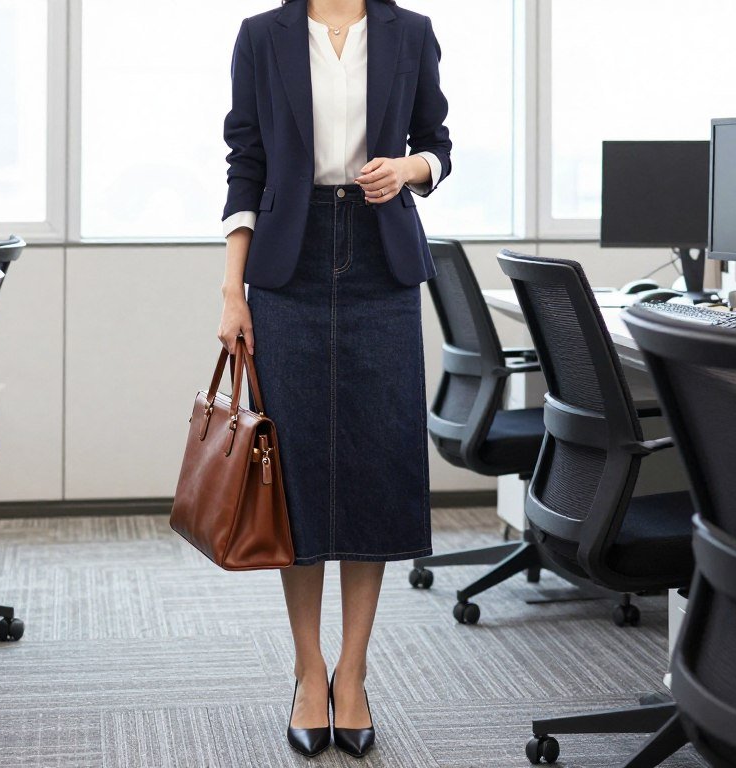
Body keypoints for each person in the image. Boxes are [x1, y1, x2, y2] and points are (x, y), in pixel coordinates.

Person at [218, 0, 451, 757]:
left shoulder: (410, 32)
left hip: (382, 261)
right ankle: (308, 669)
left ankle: (352, 672)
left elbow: (438, 143)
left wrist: (413, 168)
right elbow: (245, 162)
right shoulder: (262, 36)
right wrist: (232, 290)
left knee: (374, 467)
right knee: (298, 475)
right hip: (289, 265)